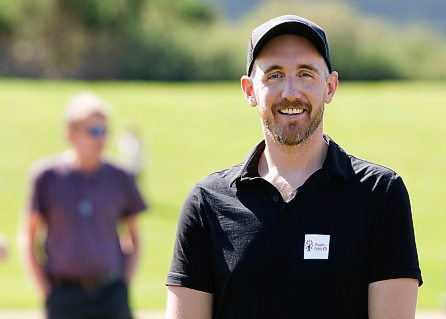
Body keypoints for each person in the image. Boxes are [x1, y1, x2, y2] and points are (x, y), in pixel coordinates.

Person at [166, 15, 423, 319]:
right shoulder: (207, 202)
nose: (290, 92)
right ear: (250, 91)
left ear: (330, 87)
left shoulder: (380, 193)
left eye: (305, 74)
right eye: (274, 75)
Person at [19, 92, 147, 319]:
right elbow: (28, 238)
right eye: (94, 131)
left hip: (111, 293)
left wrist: (124, 283)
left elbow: (134, 236)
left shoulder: (120, 177)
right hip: (64, 295)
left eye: (105, 131)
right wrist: (47, 292)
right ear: (71, 133)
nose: (102, 139)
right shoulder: (46, 177)